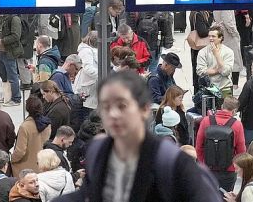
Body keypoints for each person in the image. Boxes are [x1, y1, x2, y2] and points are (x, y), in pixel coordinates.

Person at [58, 70, 222, 201]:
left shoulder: (173, 162)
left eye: (122, 105)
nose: (113, 113)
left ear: (144, 109)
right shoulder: (98, 151)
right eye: (106, 106)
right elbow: (89, 193)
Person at [195, 96, 247, 191]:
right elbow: (241, 151)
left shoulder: (206, 120)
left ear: (222, 106)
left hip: (208, 168)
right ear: (234, 111)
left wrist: (203, 163)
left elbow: (198, 146)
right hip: (228, 170)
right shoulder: (237, 125)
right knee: (225, 196)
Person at [12, 96, 53, 176]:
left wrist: (11, 159)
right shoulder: (47, 124)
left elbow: (20, 152)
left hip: (26, 168)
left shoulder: (25, 127)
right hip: (41, 165)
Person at [0, 13, 25, 105]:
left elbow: (16, 36)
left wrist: (3, 41)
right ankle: (7, 96)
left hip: (9, 52)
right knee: (4, 76)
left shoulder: (14, 19)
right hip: (0, 51)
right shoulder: (1, 17)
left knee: (12, 76)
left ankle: (16, 98)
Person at [197, 26, 235, 97]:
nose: (210, 38)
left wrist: (216, 54)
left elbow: (225, 72)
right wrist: (218, 70)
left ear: (220, 38)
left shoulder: (229, 52)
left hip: (225, 87)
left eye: (213, 36)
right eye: (209, 36)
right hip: (209, 87)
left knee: (226, 107)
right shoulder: (203, 52)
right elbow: (200, 71)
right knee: (209, 107)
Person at [188, 10, 214, 92]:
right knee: (200, 73)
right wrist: (212, 29)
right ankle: (199, 94)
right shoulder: (198, 14)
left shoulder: (195, 13)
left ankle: (198, 91)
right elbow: (202, 32)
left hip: (196, 49)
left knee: (197, 72)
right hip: (199, 48)